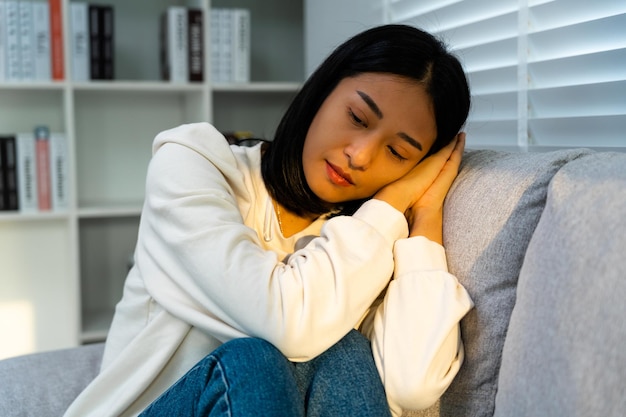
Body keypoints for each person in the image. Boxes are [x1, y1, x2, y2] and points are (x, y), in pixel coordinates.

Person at [64, 24, 473, 417]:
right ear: (322, 90)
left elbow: (411, 385)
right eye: (357, 118)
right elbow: (284, 323)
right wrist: (394, 200)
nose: (361, 155)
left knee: (344, 351)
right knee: (256, 357)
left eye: (398, 155)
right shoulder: (193, 163)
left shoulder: (365, 245)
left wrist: (425, 214)